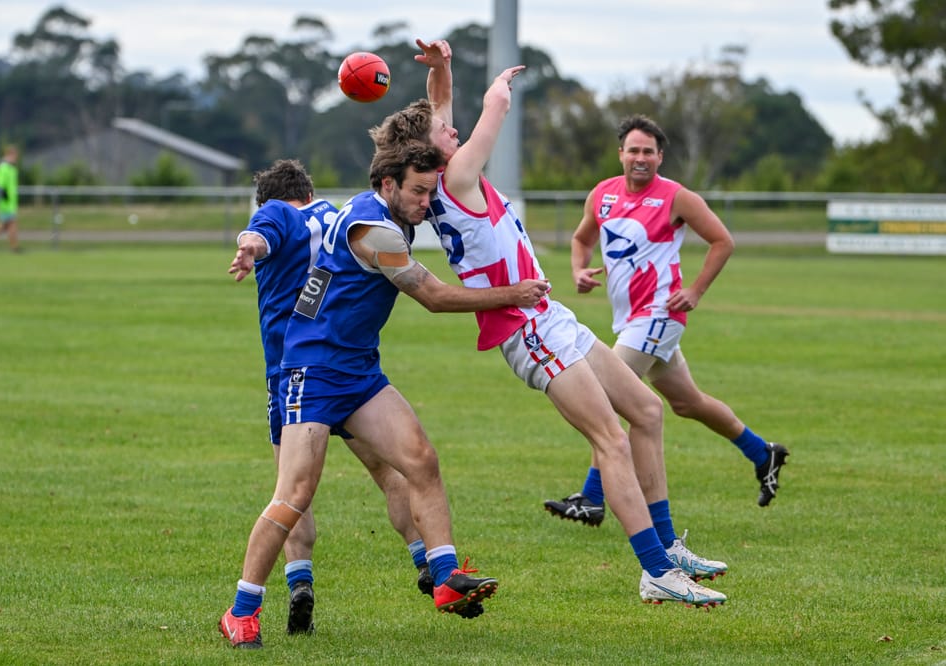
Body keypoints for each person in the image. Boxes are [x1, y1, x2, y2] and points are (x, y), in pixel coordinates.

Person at [370, 38, 727, 607]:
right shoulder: (457, 173)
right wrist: (498, 88)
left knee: (647, 410)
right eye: (445, 132)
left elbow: (437, 112)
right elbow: (492, 116)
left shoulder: (441, 169)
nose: (454, 131)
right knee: (609, 438)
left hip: (547, 315)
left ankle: (666, 544)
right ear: (430, 149)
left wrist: (443, 69)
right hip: (526, 327)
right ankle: (655, 569)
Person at [218, 140, 551, 648]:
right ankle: (241, 612)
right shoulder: (373, 231)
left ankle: (443, 577)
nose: (427, 201)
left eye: (430, 190)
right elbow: (435, 298)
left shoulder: (371, 206)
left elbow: (420, 134)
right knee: (294, 495)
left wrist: (441, 82)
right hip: (313, 369)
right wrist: (514, 292)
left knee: (420, 459)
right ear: (388, 184)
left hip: (357, 370)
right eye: (418, 191)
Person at [543, 114, 789, 522]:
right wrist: (577, 269)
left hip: (659, 314)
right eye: (634, 150)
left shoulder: (676, 197)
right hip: (630, 320)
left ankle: (590, 498)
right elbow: (582, 237)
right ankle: (762, 452)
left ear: (660, 157)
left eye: (649, 152)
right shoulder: (602, 194)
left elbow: (722, 241)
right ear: (621, 154)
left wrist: (694, 291)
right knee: (687, 403)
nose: (640, 158)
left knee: (605, 392)